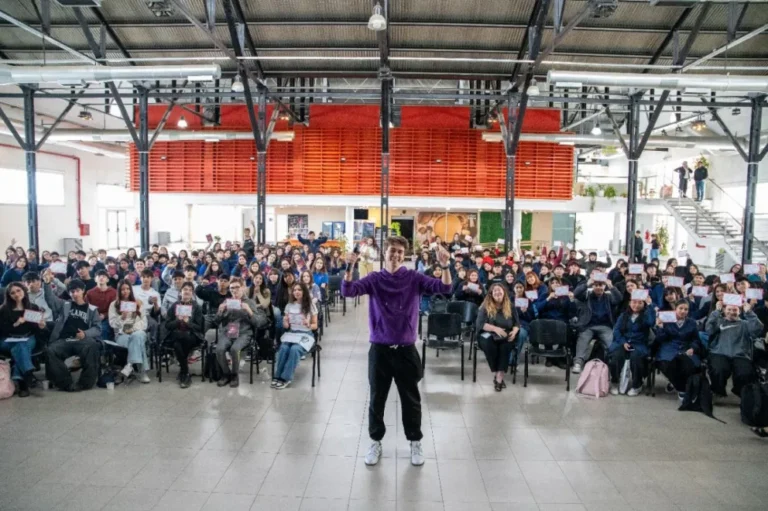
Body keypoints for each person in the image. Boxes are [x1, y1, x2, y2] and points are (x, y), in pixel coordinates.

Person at [341, 235, 452, 467]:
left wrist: (445, 265)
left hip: (406, 350)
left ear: (405, 255)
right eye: (392, 250)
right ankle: (375, 441)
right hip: (380, 349)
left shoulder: (413, 278)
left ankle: (414, 442)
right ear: (385, 252)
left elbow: (444, 287)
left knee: (411, 400)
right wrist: (350, 266)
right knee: (376, 399)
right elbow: (348, 291)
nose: (396, 255)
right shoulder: (374, 279)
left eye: (400, 252)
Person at [44, 278, 102, 392]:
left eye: (77, 291)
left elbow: (98, 328)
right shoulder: (64, 304)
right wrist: (46, 284)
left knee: (93, 346)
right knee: (50, 350)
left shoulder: (92, 309)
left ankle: (85, 383)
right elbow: (50, 299)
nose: (74, 294)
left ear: (83, 291)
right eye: (71, 292)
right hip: (64, 340)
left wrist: (85, 334)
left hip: (82, 340)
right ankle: (65, 383)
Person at [214, 277, 268, 388]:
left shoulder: (250, 302)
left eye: (237, 287)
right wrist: (220, 312)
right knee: (219, 349)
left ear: (243, 288)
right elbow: (216, 321)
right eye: (232, 288)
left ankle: (234, 375)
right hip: (228, 332)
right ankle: (226, 374)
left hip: (244, 333)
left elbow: (258, 323)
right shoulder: (226, 302)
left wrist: (249, 311)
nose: (234, 290)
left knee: (235, 349)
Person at [706, 299, 763, 398]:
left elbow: (757, 329)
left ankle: (741, 392)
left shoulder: (745, 324)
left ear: (739, 311)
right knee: (718, 369)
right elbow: (709, 330)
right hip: (720, 353)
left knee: (745, 372)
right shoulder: (720, 321)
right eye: (729, 309)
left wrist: (749, 312)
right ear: (724, 310)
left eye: (734, 310)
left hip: (740, 355)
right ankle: (717, 390)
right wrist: (716, 312)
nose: (731, 312)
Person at [0, 283, 46, 397]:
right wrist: (16, 324)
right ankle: (27, 374)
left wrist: (41, 326)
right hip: (8, 339)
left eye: (18, 291)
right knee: (20, 346)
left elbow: (37, 330)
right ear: (9, 296)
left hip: (28, 337)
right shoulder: (4, 309)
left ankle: (23, 381)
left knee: (20, 347)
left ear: (24, 291)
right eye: (12, 293)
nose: (16, 294)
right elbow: (2, 330)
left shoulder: (33, 307)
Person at [572, 275, 623, 374]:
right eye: (596, 285)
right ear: (593, 286)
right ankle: (578, 363)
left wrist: (611, 286)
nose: (598, 287)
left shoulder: (609, 297)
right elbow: (576, 293)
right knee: (583, 340)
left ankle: (612, 363)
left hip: (605, 326)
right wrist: (587, 284)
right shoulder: (587, 295)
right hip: (588, 325)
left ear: (604, 286)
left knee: (610, 344)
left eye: (601, 285)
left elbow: (619, 299)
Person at [272, 282, 318, 389]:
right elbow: (286, 326)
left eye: (299, 290)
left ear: (304, 292)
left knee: (295, 349)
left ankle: (286, 378)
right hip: (292, 333)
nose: (296, 292)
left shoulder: (310, 305)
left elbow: (315, 326)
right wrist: (285, 322)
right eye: (294, 290)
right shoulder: (289, 306)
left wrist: (308, 324)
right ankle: (277, 375)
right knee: (283, 348)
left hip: (306, 334)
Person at [654, 299, 701, 401]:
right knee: (666, 365)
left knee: (690, 366)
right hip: (669, 348)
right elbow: (660, 339)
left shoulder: (692, 323)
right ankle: (681, 389)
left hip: (685, 348)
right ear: (675, 309)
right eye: (681, 308)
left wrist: (693, 348)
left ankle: (675, 384)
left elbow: (696, 339)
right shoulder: (666, 319)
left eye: (686, 309)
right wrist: (661, 327)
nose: (683, 311)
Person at [608, 296, 656, 396]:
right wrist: (623, 342)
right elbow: (616, 331)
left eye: (640, 303)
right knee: (616, 357)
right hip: (623, 343)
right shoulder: (623, 316)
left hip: (638, 344)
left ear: (644, 304)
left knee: (636, 358)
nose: (636, 305)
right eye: (634, 302)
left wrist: (650, 305)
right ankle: (615, 382)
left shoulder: (646, 316)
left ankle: (637, 385)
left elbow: (652, 322)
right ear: (630, 303)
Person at [476, 283, 519, 392]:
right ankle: (496, 371)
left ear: (504, 292)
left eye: (499, 290)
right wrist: (495, 329)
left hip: (506, 334)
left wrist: (514, 332)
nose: (497, 292)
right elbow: (480, 324)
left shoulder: (511, 306)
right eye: (494, 291)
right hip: (488, 333)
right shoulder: (485, 306)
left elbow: (517, 324)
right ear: (491, 294)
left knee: (505, 347)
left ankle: (499, 377)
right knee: (490, 345)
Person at [164, 282, 205, 388]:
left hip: (192, 335)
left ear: (192, 293)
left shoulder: (197, 307)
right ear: (180, 292)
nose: (187, 291)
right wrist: (177, 321)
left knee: (179, 341)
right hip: (176, 335)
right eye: (185, 289)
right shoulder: (174, 306)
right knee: (178, 342)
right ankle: (185, 372)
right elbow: (167, 325)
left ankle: (184, 371)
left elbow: (199, 327)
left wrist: (188, 322)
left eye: (189, 290)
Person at [108, 280, 150, 382]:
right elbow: (112, 323)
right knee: (137, 341)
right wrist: (122, 318)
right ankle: (142, 371)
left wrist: (132, 329)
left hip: (138, 331)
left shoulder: (138, 303)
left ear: (131, 290)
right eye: (123, 289)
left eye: (127, 289)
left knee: (137, 336)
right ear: (119, 291)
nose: (125, 291)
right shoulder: (114, 305)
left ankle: (129, 364)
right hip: (121, 334)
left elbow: (144, 323)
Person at [86, 270, 117, 341]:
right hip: (92, 318)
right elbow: (86, 307)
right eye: (99, 276)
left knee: (103, 329)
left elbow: (115, 308)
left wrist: (105, 315)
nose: (101, 278)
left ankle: (104, 348)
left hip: (108, 317)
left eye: (104, 276)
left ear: (107, 280)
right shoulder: (90, 293)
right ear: (95, 279)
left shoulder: (114, 292)